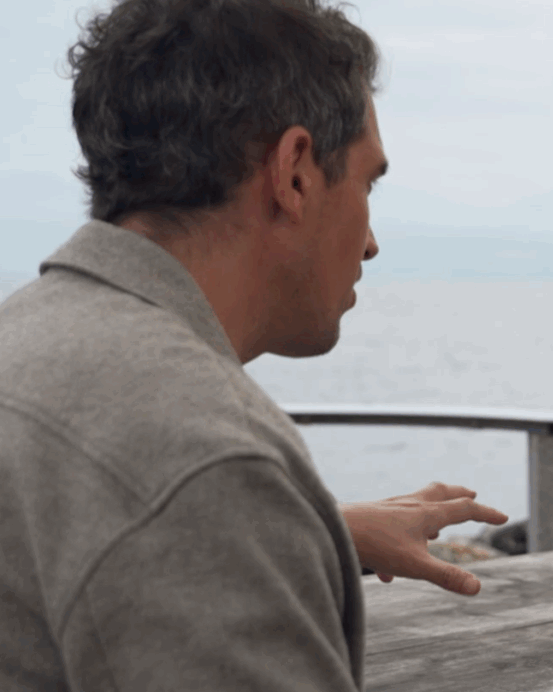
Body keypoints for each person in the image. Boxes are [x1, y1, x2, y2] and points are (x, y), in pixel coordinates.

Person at [0, 1, 508, 690]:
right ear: (294, 173)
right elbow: (176, 486)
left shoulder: (24, 341)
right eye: (367, 182)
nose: (369, 243)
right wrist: (239, 512)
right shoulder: (205, 460)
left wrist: (303, 530)